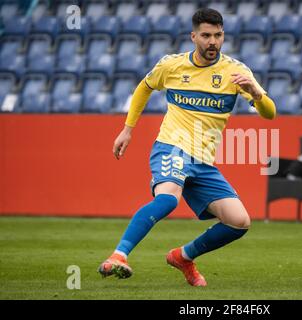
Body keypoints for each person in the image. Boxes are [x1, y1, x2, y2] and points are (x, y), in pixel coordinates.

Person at [97, 8, 276, 287]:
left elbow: (270, 114)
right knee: (168, 199)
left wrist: (255, 92)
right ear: (194, 36)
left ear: (223, 36)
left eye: (217, 35)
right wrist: (128, 129)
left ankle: (183, 256)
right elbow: (144, 87)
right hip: (171, 147)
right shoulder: (172, 66)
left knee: (239, 222)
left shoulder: (236, 72)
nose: (212, 42)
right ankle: (119, 255)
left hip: (203, 161)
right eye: (206, 35)